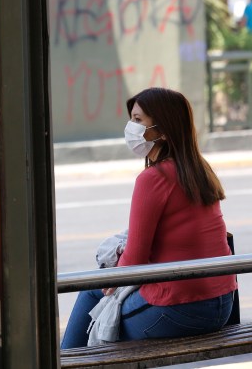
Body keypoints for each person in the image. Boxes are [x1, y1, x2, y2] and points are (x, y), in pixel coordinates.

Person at [60, 87, 238, 349]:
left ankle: (66, 361)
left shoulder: (153, 178)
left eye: (138, 120)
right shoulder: (198, 169)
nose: (130, 128)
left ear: (163, 130)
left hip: (182, 309)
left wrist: (109, 284)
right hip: (221, 303)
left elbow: (135, 260)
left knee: (92, 291)